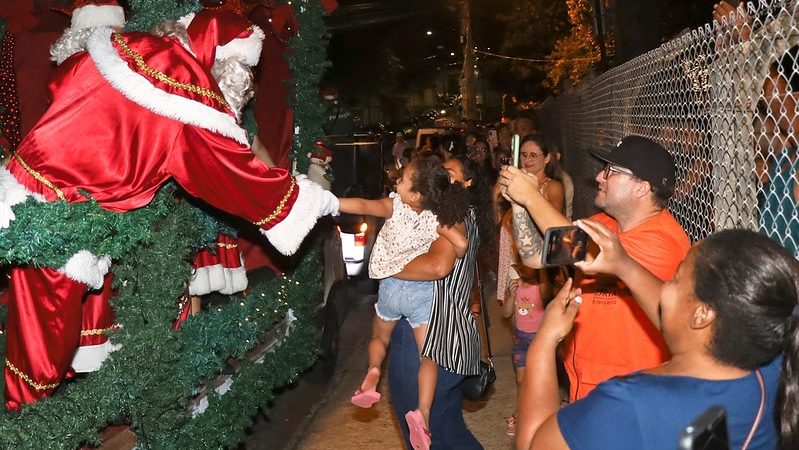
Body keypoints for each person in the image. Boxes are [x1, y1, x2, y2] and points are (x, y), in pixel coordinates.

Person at [0, 8, 339, 409]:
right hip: (60, 217)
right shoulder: (186, 91)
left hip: (25, 185)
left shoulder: (132, 45)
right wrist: (302, 199)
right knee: (42, 355)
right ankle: (26, 426)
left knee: (40, 336)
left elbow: (63, 82)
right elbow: (230, 172)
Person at [515, 223, 799, 450]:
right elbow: (684, 326)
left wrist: (545, 341)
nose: (663, 289)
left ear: (701, 315)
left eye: (675, 278)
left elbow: (532, 443)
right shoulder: (773, 368)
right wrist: (624, 266)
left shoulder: (630, 403)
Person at [499, 135, 690, 401]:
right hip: (587, 380)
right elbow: (534, 257)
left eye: (611, 172)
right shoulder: (605, 223)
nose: (600, 176)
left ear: (642, 188)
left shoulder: (662, 241)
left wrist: (531, 196)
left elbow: (579, 249)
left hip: (631, 389)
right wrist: (519, 205)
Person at [341, 155, 469, 450]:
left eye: (401, 179)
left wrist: (329, 202)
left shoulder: (392, 205)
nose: (396, 180)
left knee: (378, 338)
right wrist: (451, 237)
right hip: (420, 293)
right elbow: (460, 246)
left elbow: (361, 205)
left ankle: (373, 371)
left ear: (413, 194)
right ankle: (422, 412)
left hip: (389, 289)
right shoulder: (436, 216)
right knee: (428, 357)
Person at [389, 155, 495, 450]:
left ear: (467, 183)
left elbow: (438, 267)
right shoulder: (466, 213)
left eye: (448, 173)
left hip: (426, 341)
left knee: (421, 436)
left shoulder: (451, 217)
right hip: (455, 340)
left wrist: (386, 265)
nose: (438, 177)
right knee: (448, 432)